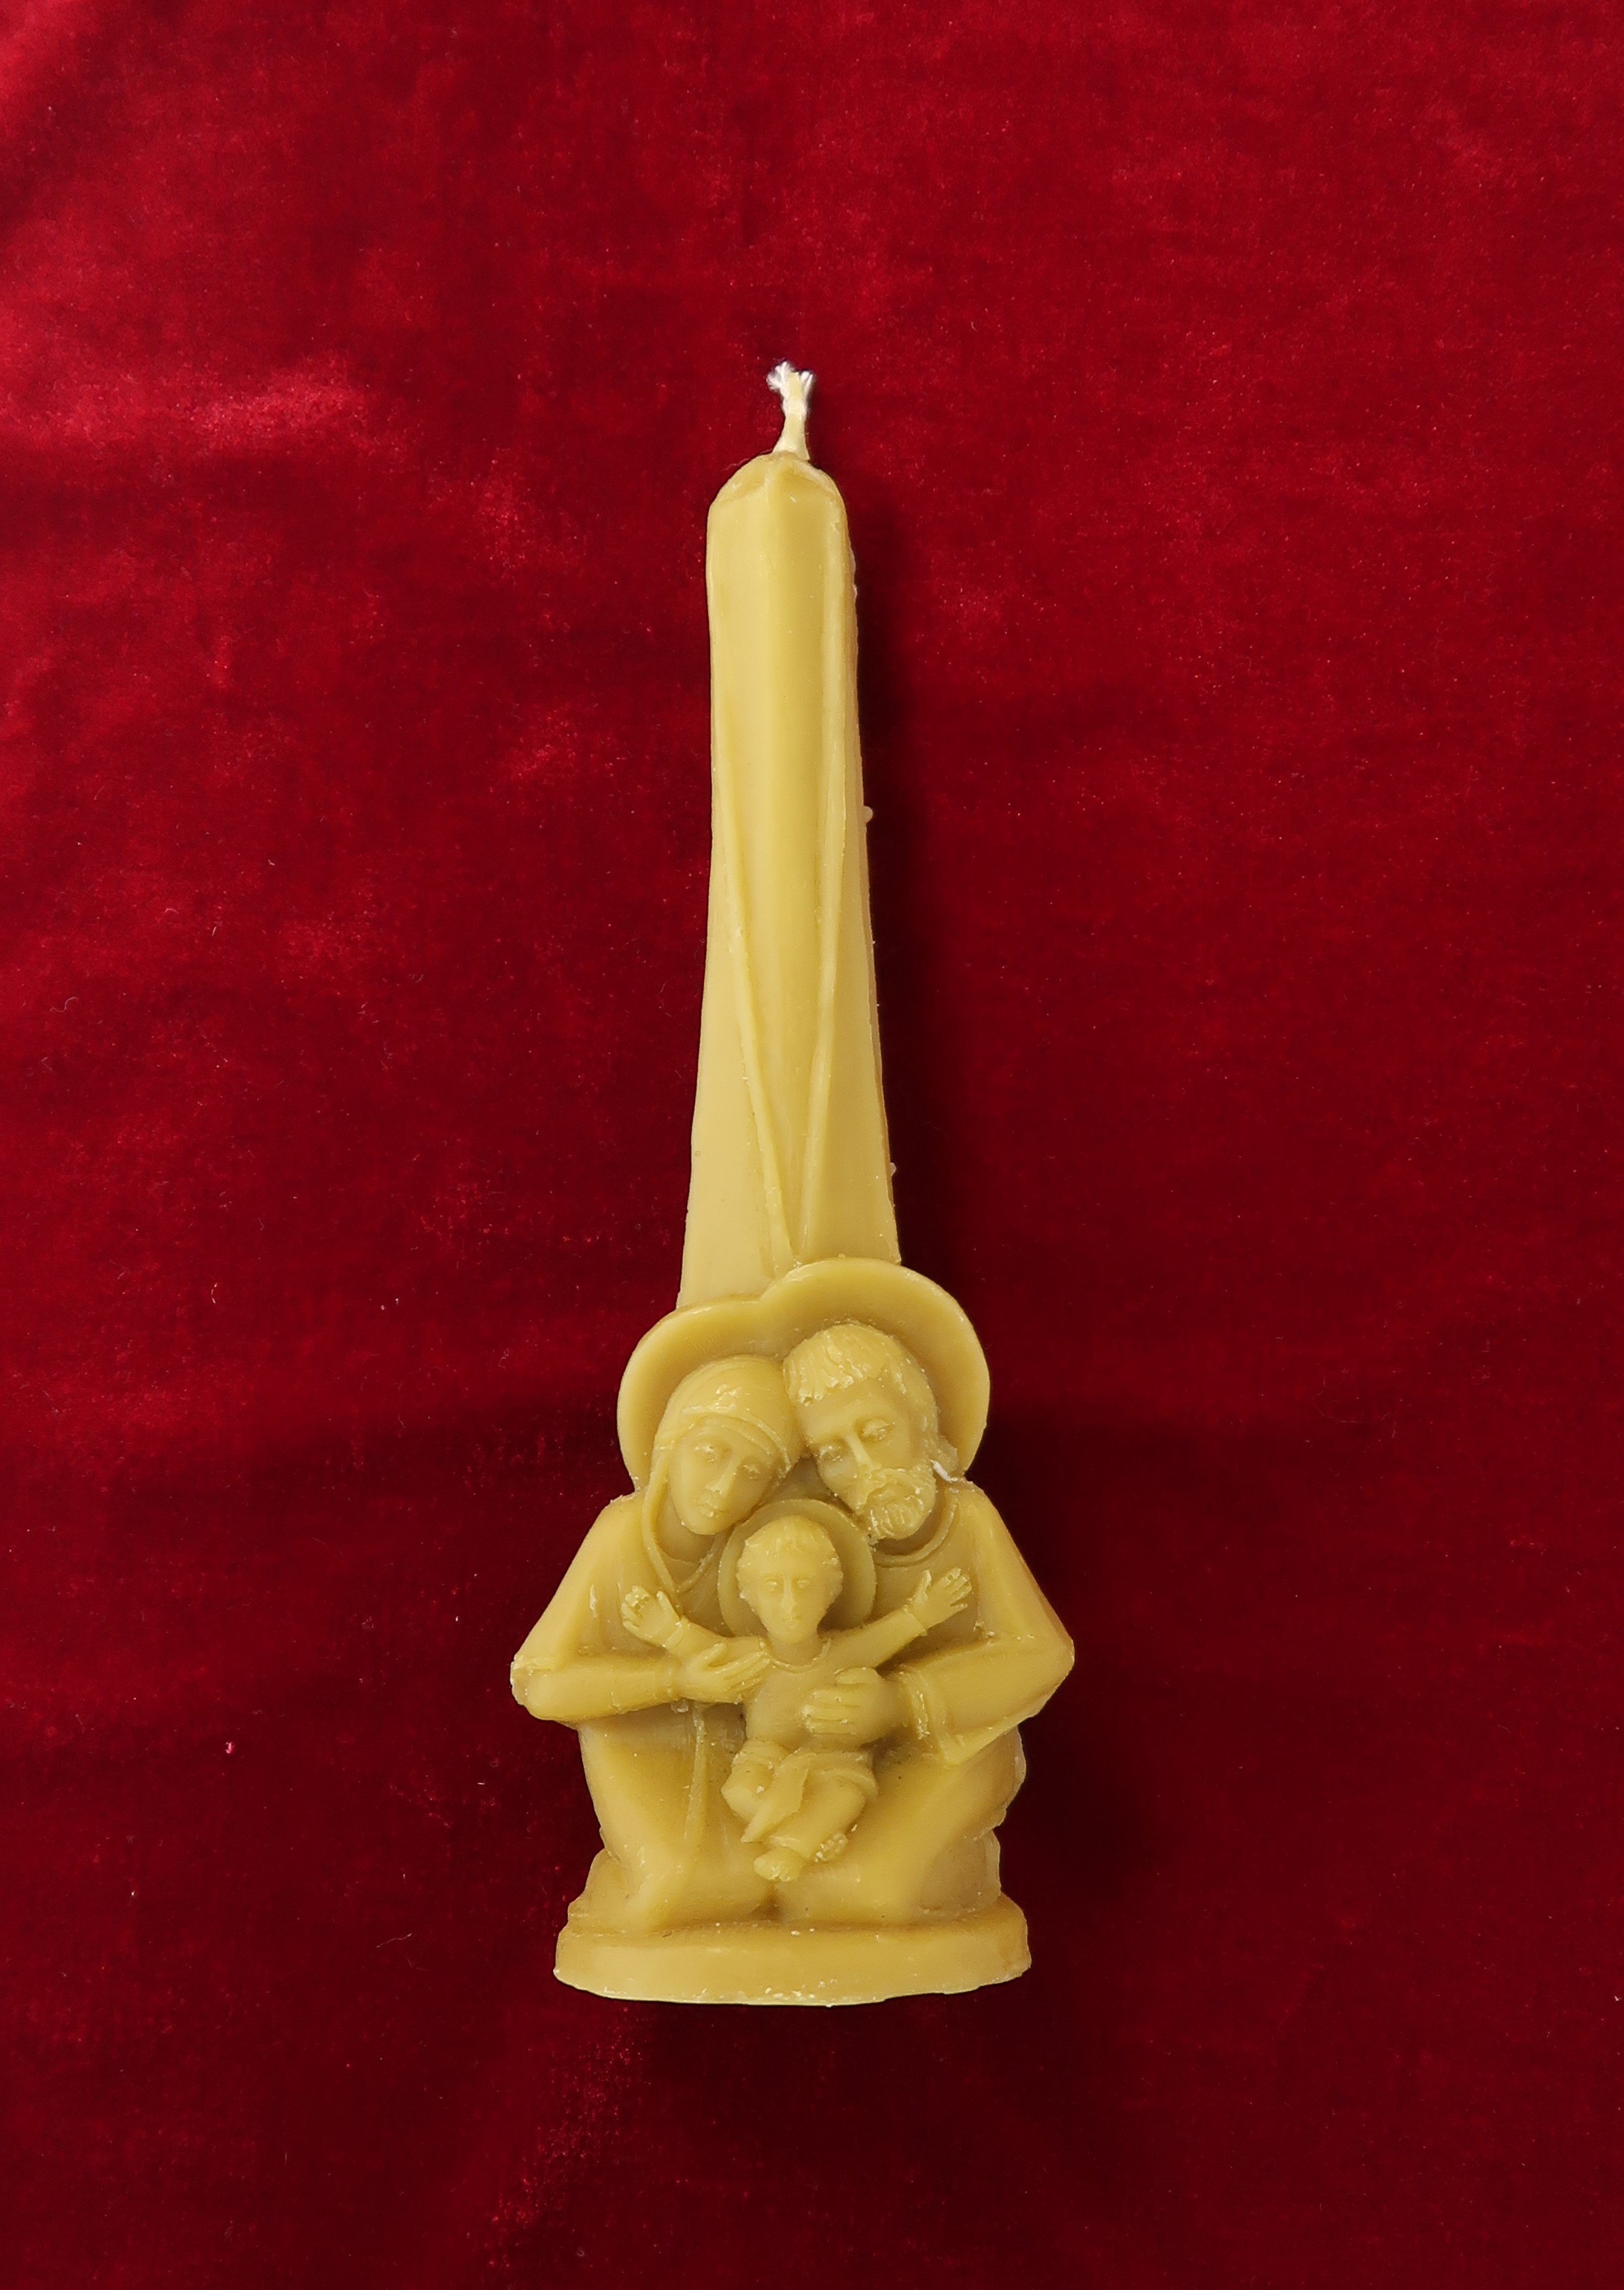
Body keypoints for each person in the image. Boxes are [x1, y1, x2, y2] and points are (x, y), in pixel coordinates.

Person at [768, 1321, 1075, 1926]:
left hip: (959, 1747)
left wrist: (904, 1704)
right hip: (838, 1761)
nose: (864, 1466)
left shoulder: (969, 1519)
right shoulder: (831, 1541)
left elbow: (1044, 1653)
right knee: (797, 1882)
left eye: (876, 1432)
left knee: (861, 1892)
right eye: (833, 1453)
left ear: (921, 1421)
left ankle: (949, 1873)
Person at [510, 1355, 800, 1932]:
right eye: (711, 1453)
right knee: (675, 1890)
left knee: (775, 1880)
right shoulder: (621, 1534)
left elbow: (782, 1660)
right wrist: (675, 1681)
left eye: (752, 1471)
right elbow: (540, 1685)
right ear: (671, 1445)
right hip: (639, 1743)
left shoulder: (756, 1552)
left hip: (739, 1755)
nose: (724, 1488)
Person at [621, 1511, 970, 1882]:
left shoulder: (841, 1653)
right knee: (739, 1791)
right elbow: (709, 1652)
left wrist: (923, 1614)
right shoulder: (753, 1659)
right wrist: (667, 1631)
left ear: (829, 1593)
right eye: (773, 1586)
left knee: (845, 1797)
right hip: (766, 1761)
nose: (790, 1604)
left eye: (804, 1585)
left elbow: (889, 1634)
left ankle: (793, 1850)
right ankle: (809, 1838)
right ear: (751, 1597)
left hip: (833, 1762)